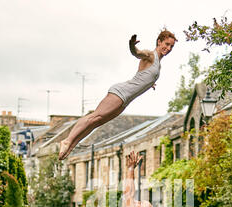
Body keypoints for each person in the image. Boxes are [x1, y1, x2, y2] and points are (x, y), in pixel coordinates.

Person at [58, 30, 177, 160]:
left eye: (171, 46)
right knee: (94, 116)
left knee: (96, 123)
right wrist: (132, 45)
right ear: (159, 42)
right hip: (121, 92)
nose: (168, 48)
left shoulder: (158, 64)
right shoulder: (150, 55)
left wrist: (150, 83)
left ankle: (71, 146)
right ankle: (67, 140)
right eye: (166, 44)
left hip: (125, 100)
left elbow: (142, 76)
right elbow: (137, 53)